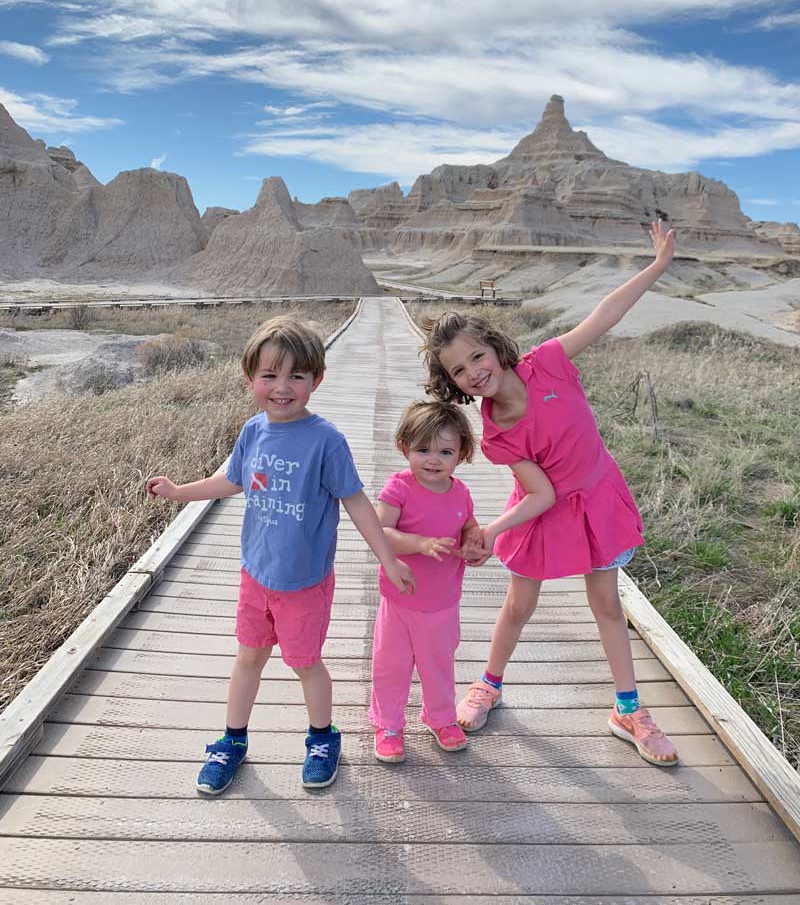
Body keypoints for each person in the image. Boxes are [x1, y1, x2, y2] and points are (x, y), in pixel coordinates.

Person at [421, 220, 680, 766]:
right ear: (452, 383)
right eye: (458, 371)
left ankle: (627, 710)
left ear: (495, 346)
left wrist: (655, 267)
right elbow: (540, 496)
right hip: (541, 512)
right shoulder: (498, 434)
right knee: (519, 605)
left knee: (607, 603)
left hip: (597, 497)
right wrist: (492, 529)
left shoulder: (550, 363)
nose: (473, 372)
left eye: (477, 357)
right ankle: (489, 684)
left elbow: (603, 315)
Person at [146, 315, 414, 795]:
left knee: (305, 662)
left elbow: (355, 501)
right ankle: (232, 741)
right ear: (251, 379)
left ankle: (322, 738)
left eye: (296, 376)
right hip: (256, 575)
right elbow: (232, 480)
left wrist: (387, 558)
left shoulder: (326, 440)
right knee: (248, 657)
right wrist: (178, 491)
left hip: (305, 581)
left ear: (317, 380)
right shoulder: (253, 431)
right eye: (269, 375)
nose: (282, 387)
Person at [369, 399, 554, 763]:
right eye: (422, 450)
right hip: (401, 598)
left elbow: (467, 524)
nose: (433, 459)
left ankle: (439, 718)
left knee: (439, 663)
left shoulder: (460, 493)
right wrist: (419, 544)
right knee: (392, 664)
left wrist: (472, 539)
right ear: (404, 448)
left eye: (445, 451)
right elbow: (380, 530)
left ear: (462, 454)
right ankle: (388, 723)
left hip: (443, 602)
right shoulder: (399, 488)